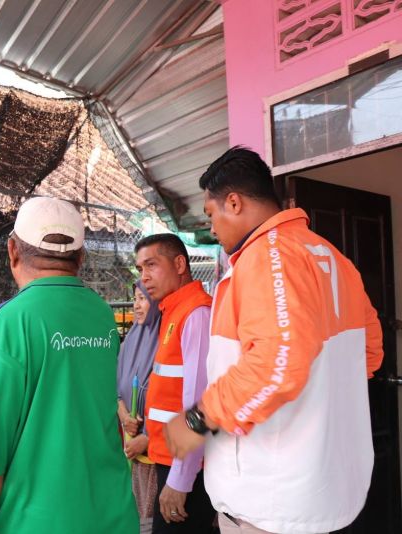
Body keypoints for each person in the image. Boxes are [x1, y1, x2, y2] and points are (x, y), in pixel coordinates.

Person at [164, 147, 384, 534]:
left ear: (234, 202)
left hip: (272, 501)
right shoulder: (335, 260)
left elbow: (275, 364)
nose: (211, 228)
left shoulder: (269, 256)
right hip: (328, 489)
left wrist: (198, 420)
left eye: (211, 214)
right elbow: (369, 354)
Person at [0, 196, 138, 533]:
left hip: (36, 523)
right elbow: (65, 380)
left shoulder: (10, 321)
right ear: (80, 258)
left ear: (12, 251)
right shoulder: (101, 314)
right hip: (113, 516)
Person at [134, 233, 216, 534]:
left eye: (151, 265)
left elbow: (200, 402)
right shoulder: (173, 310)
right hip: (170, 458)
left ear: (180, 264)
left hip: (188, 465)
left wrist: (180, 480)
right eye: (141, 269)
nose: (145, 277)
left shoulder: (196, 313)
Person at [118, 281, 161, 534]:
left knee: (152, 518)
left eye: (143, 299)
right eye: (135, 298)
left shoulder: (166, 339)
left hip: (155, 448)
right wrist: (124, 415)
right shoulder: (130, 340)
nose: (136, 305)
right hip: (130, 444)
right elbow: (115, 389)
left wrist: (146, 438)